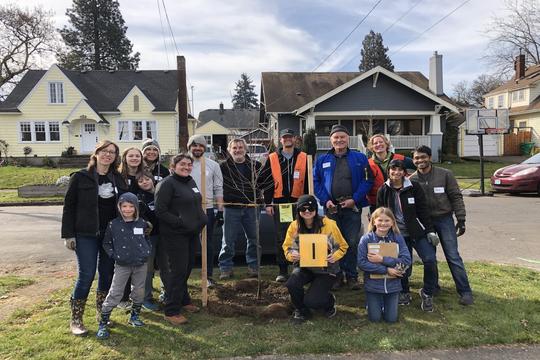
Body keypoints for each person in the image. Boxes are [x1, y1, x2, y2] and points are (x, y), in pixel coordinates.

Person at [61, 140, 127, 336]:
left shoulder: (118, 178)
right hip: (85, 234)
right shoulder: (81, 177)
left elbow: (127, 205)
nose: (108, 155)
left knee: (106, 274)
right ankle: (76, 319)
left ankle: (102, 314)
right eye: (105, 151)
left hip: (110, 235)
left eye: (113, 153)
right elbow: (69, 206)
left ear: (116, 157)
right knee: (87, 275)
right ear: (96, 153)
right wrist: (68, 234)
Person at [410, 145, 474, 305]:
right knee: (429, 257)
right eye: (417, 158)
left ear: (430, 158)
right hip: (425, 223)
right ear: (413, 160)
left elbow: (456, 196)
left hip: (444, 219)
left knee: (452, 255)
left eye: (423, 157)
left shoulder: (445, 174)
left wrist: (461, 218)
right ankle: (433, 286)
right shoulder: (412, 180)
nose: (420, 160)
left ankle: (465, 291)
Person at [313, 124, 373, 290]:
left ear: (348, 139)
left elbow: (367, 180)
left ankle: (351, 275)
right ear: (330, 140)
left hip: (352, 207)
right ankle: (336, 275)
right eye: (336, 137)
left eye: (342, 137)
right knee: (332, 243)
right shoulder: (322, 160)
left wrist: (355, 199)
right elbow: (316, 182)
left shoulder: (360, 158)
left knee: (352, 241)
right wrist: (326, 201)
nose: (339, 140)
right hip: (331, 208)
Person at [376, 159, 440, 311]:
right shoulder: (383, 190)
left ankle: (427, 293)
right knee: (402, 265)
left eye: (400, 170)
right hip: (397, 234)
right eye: (393, 170)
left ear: (405, 172)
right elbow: (379, 214)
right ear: (389, 171)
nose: (396, 173)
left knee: (430, 259)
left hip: (417, 232)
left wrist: (430, 230)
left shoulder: (414, 187)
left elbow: (423, 210)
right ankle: (404, 291)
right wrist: (379, 234)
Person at [155, 153, 208, 325]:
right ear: (173, 166)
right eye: (182, 164)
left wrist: (201, 220)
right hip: (175, 235)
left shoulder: (190, 182)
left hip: (191, 234)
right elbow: (160, 211)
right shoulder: (167, 184)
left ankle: (184, 301)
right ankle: (171, 310)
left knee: (186, 270)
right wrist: (180, 222)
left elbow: (195, 203)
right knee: (177, 272)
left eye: (189, 164)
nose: (186, 167)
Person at [283, 195, 349, 323]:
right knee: (292, 284)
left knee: (312, 301)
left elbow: (342, 246)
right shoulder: (294, 226)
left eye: (311, 208)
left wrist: (333, 256)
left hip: (326, 269)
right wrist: (292, 255)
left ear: (316, 209)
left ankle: (329, 300)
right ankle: (301, 310)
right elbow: (287, 248)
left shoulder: (329, 224)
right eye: (303, 209)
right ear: (298, 211)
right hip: (304, 267)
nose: (307, 211)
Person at [97, 192, 152, 339]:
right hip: (122, 265)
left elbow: (146, 239)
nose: (127, 209)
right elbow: (106, 243)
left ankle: (134, 317)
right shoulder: (113, 224)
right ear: (119, 207)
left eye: (131, 206)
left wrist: (146, 251)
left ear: (136, 208)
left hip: (141, 264)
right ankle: (103, 322)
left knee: (139, 291)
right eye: (124, 206)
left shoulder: (142, 223)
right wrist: (114, 255)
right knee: (115, 292)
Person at [263, 128, 309, 282]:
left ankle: (298, 266)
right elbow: (267, 181)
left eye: (290, 137)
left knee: (301, 234)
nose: (287, 139)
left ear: (294, 139)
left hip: (300, 202)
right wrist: (268, 202)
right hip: (280, 203)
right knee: (282, 237)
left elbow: (309, 181)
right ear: (280, 140)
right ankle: (283, 270)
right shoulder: (272, 158)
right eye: (284, 137)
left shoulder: (304, 157)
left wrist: (309, 202)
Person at [218, 138, 268, 280]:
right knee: (228, 240)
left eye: (240, 147)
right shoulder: (223, 167)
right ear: (229, 150)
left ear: (245, 150)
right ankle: (226, 268)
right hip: (231, 207)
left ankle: (254, 267)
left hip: (251, 207)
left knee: (254, 239)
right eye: (234, 148)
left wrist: (261, 200)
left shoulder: (255, 166)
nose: (238, 150)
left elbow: (263, 185)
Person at [358, 207, 411, 323]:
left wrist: (382, 259)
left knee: (391, 319)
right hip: (373, 286)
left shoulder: (397, 238)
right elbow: (362, 263)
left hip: (393, 286)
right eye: (380, 220)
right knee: (375, 319)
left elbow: (406, 260)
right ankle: (373, 304)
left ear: (392, 222)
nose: (383, 223)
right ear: (373, 221)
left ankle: (384, 305)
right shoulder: (366, 239)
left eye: (387, 220)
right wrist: (386, 270)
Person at [188, 135, 224, 288]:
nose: (197, 148)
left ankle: (208, 276)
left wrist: (220, 211)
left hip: (207, 209)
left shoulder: (213, 165)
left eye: (201, 146)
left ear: (205, 148)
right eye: (194, 145)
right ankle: (184, 276)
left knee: (207, 244)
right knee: (186, 244)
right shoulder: (182, 163)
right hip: (186, 210)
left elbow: (218, 188)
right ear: (189, 146)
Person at [366, 134, 415, 213]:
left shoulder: (400, 158)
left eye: (381, 142)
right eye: (375, 143)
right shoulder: (368, 163)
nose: (378, 144)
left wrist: (411, 178)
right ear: (371, 147)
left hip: (400, 200)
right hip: (377, 202)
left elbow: (419, 165)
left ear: (386, 144)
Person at [136, 171, 161, 311]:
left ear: (152, 180)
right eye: (140, 181)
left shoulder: (161, 192)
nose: (144, 182)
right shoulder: (140, 197)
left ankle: (166, 293)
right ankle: (145, 298)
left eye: (147, 179)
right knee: (148, 268)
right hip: (149, 237)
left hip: (165, 235)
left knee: (165, 267)